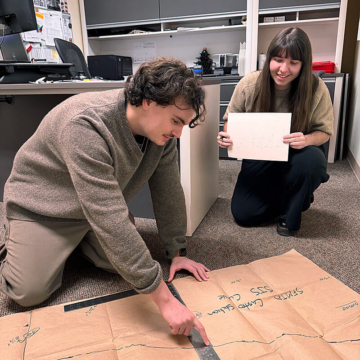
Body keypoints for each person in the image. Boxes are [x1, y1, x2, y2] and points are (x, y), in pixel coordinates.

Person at [0, 57, 210, 345]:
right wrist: (166, 302)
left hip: (94, 207)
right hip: (43, 208)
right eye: (176, 121)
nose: (178, 132)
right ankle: (17, 238)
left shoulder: (162, 136)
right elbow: (110, 217)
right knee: (26, 293)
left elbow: (168, 189)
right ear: (148, 100)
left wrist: (177, 250)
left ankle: (74, 245)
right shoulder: (85, 123)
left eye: (183, 124)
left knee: (130, 265)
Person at [217, 27, 334, 236]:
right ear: (268, 58)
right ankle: (297, 197)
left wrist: (306, 139)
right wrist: (227, 136)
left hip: (299, 153)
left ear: (303, 65)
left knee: (311, 161)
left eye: (293, 62)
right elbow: (229, 122)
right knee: (244, 215)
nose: (283, 69)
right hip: (261, 154)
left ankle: (292, 211)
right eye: (278, 59)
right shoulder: (249, 84)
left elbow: (324, 132)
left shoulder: (316, 88)